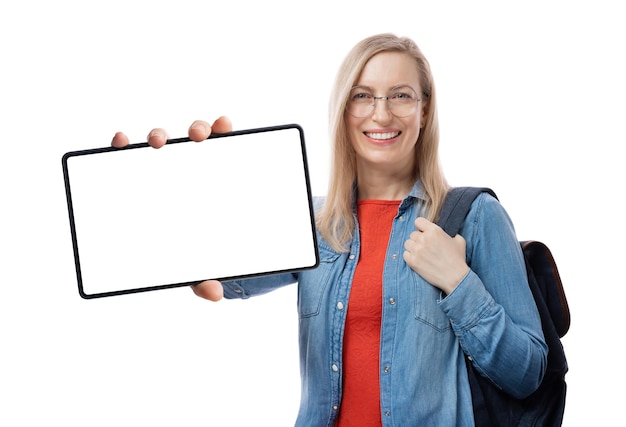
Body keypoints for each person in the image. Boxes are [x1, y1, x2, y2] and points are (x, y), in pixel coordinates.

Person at [112, 33, 547, 427]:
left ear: (424, 109)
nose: (381, 113)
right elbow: (212, 273)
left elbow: (527, 373)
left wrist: (459, 283)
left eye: (400, 95)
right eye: (363, 95)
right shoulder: (313, 222)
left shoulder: (475, 217)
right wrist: (173, 180)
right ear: (343, 108)